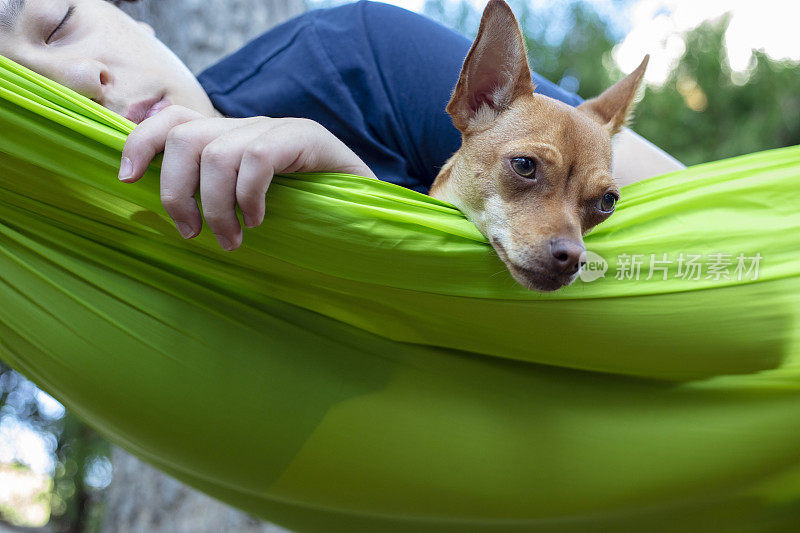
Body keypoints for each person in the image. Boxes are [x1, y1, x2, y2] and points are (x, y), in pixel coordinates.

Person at [0, 0, 684, 251]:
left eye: (59, 23)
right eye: (22, 95)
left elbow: (709, 221)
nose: (77, 80)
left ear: (129, 11)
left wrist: (346, 194)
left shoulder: (356, 53)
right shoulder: (71, 260)